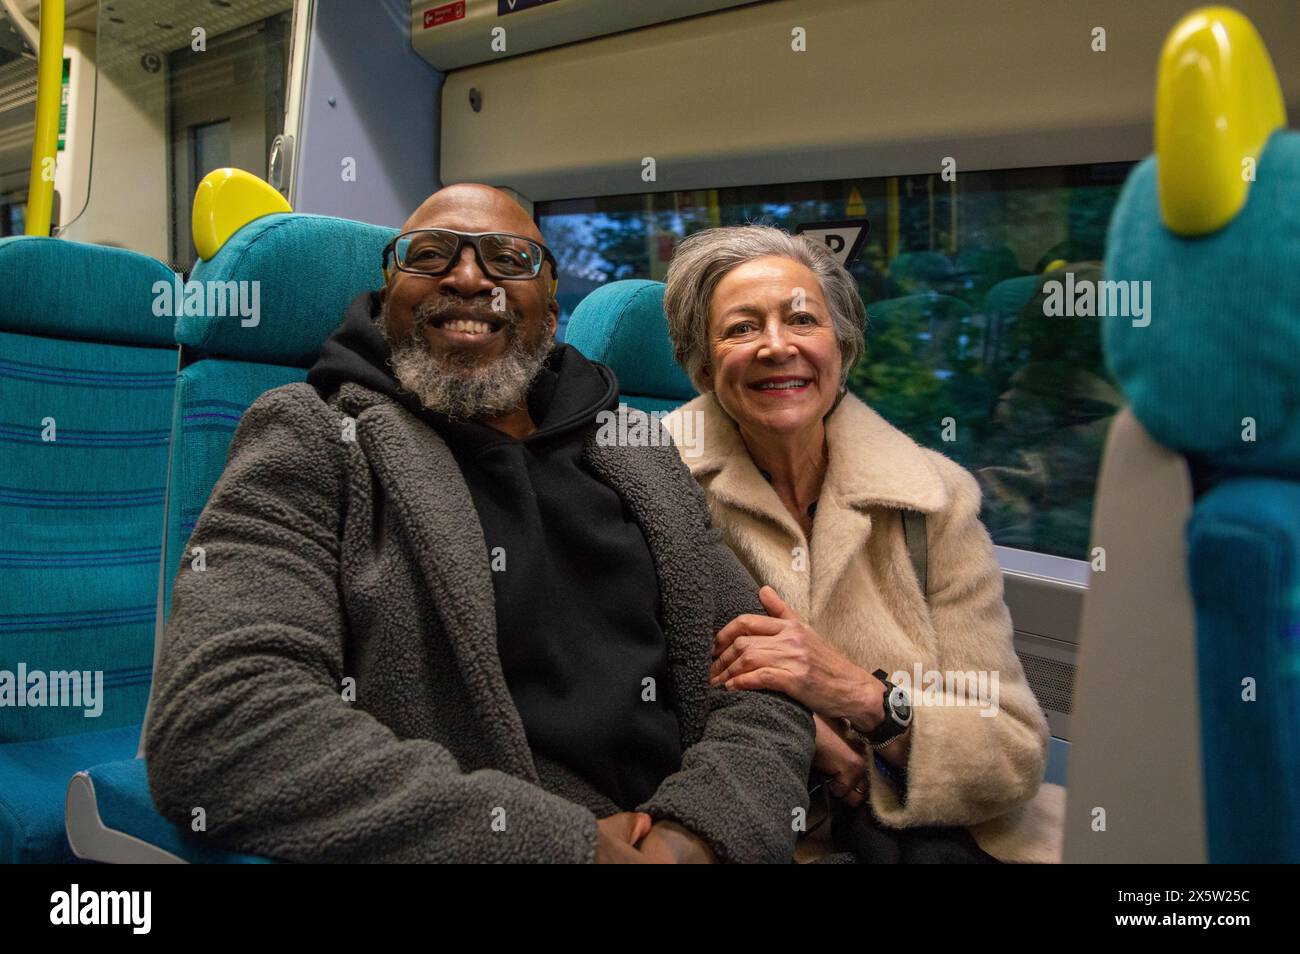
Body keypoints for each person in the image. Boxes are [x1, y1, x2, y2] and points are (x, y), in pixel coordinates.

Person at [144, 186, 813, 863]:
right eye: (429, 255)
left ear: (550, 315)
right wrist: (564, 848)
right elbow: (223, 720)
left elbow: (760, 679)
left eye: (509, 259)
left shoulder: (636, 449)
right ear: (386, 300)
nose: (468, 278)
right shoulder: (315, 437)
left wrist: (693, 834)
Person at [661, 224, 1064, 863]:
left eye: (802, 320)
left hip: (922, 831)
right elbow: (636, 702)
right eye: (741, 328)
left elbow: (1011, 750)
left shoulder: (933, 498)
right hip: (738, 827)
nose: (776, 346)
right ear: (704, 367)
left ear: (842, 351)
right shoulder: (647, 485)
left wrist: (863, 698)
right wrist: (806, 731)